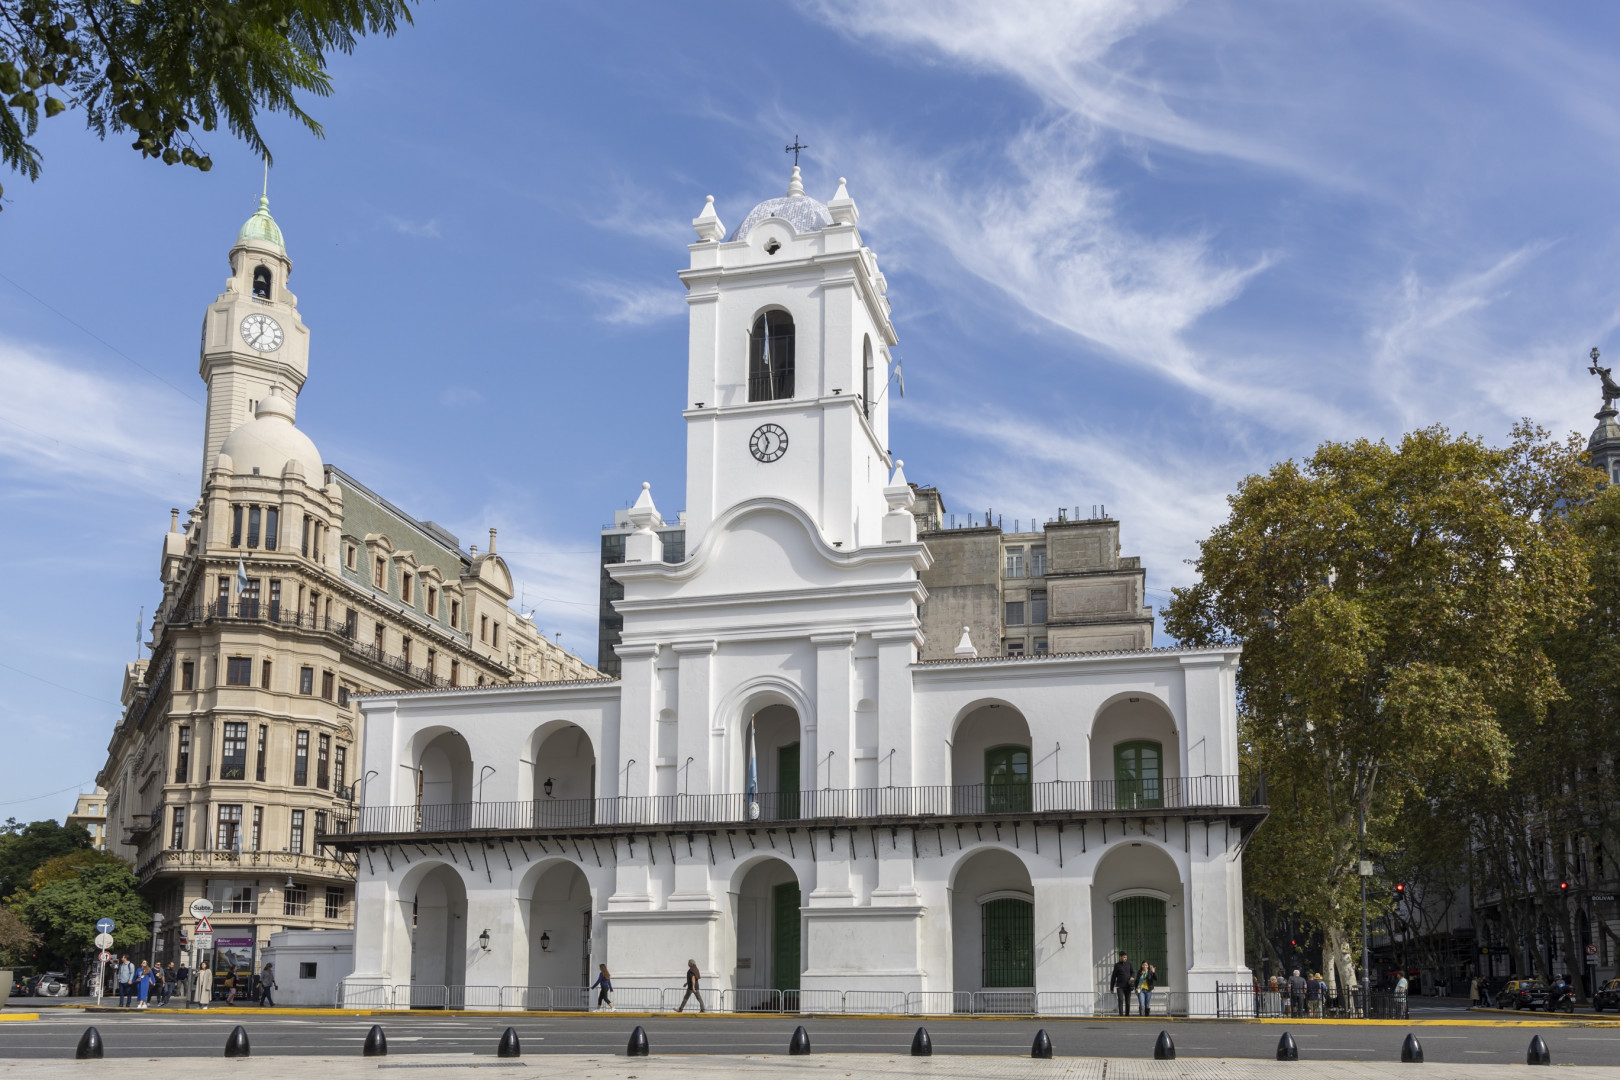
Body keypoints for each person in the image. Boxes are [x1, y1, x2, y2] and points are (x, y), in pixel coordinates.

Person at [1110, 951, 1134, 1016]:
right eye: (1124, 957)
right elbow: (1113, 976)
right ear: (1120, 957)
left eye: (1126, 957)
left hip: (1128, 986)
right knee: (1120, 1000)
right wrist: (1111, 987)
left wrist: (1132, 977)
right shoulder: (1117, 965)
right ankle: (1121, 1015)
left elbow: (1132, 972)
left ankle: (1127, 1015)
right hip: (1120, 986)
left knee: (1128, 1002)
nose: (1125, 958)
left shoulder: (1129, 964)